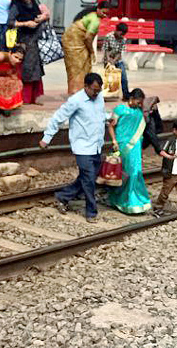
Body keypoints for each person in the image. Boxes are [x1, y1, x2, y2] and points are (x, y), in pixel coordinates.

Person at [39, 72, 109, 222]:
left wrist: (109, 119)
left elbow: (101, 115)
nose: (96, 93)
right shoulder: (75, 101)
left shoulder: (99, 98)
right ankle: (91, 212)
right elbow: (58, 117)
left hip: (96, 145)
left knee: (87, 177)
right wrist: (47, 138)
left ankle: (62, 196)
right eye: (94, 90)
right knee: (89, 180)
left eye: (99, 90)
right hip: (82, 146)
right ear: (86, 87)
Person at [108, 88, 152, 215]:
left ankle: (135, 200)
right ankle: (122, 200)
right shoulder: (120, 109)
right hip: (122, 145)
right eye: (137, 102)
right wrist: (114, 141)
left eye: (140, 103)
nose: (139, 105)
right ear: (131, 99)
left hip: (135, 146)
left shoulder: (139, 111)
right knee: (125, 173)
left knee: (136, 172)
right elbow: (111, 126)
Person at [5, 0, 49, 104]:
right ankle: (25, 97)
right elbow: (10, 23)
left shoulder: (34, 3)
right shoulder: (16, 6)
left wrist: (41, 18)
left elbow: (43, 15)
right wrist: (26, 23)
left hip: (35, 41)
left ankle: (35, 97)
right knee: (26, 70)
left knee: (36, 70)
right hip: (24, 41)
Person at [153, 121, 177, 217]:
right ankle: (158, 207)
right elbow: (161, 151)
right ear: (175, 130)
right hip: (172, 172)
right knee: (166, 191)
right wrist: (169, 157)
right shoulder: (170, 140)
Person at [62, 4, 102, 95]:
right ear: (98, 10)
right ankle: (76, 92)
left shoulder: (89, 15)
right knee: (78, 68)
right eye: (104, 12)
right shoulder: (95, 20)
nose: (105, 15)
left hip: (71, 41)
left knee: (76, 68)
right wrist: (91, 51)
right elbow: (88, 38)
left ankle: (77, 91)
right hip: (75, 43)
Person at [100, 21, 129, 98]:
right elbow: (106, 49)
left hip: (118, 60)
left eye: (123, 34)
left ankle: (126, 95)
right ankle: (104, 95)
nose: (121, 36)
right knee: (107, 79)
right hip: (108, 59)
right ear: (117, 30)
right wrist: (109, 59)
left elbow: (119, 52)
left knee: (123, 77)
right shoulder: (108, 36)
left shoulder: (123, 39)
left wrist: (114, 60)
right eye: (121, 33)